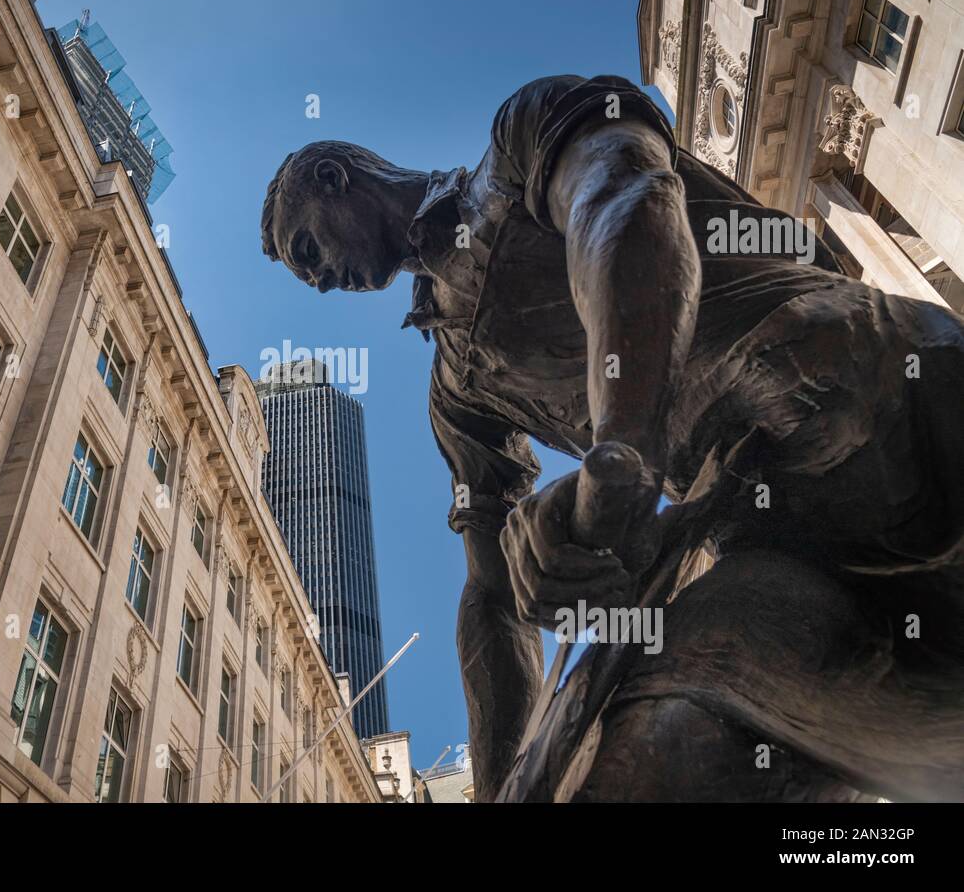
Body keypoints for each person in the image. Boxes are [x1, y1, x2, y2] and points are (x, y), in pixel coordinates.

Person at [260, 75, 964, 801]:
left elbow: (625, 203)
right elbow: (494, 595)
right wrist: (501, 785)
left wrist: (624, 444)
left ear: (332, 178)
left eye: (306, 250)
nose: (317, 283)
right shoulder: (456, 393)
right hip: (764, 533)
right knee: (638, 756)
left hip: (877, 392)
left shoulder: (515, 148)